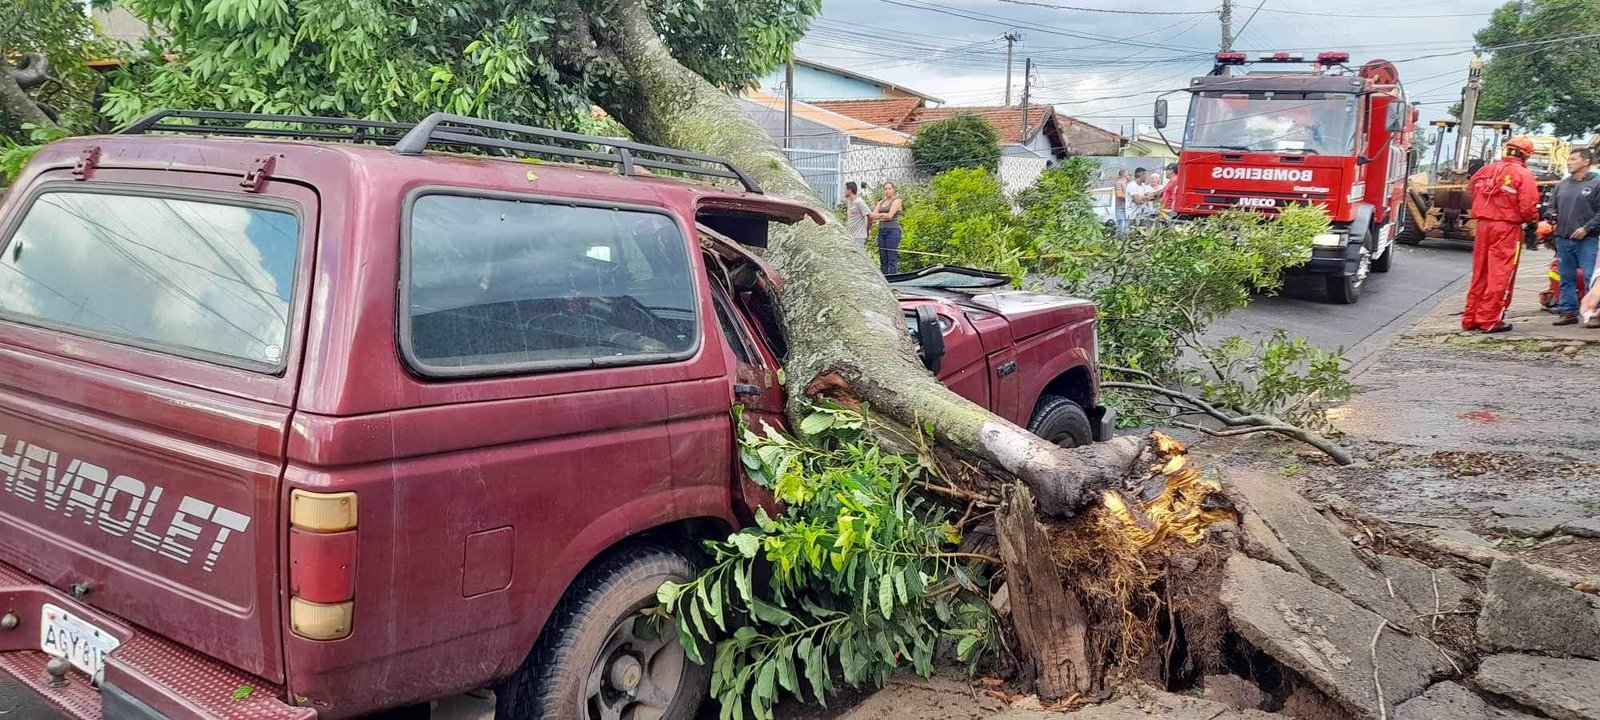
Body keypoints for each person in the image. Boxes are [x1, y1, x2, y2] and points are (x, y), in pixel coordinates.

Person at [1461, 136, 1542, 334]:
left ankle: (1470, 317)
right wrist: (1532, 222)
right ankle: (1489, 319)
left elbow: (1471, 190)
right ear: (1526, 155)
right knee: (1501, 273)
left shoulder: (1486, 170)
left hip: (1483, 225)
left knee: (1480, 272)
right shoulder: (1524, 174)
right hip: (1507, 228)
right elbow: (1528, 206)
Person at [1549, 148, 1600, 327]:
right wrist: (1551, 216)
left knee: (1590, 277)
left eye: (1573, 159)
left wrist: (1587, 228)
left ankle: (1593, 313)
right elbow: (1551, 207)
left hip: (1588, 239)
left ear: (1585, 162)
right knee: (1566, 277)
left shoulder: (1596, 183)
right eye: (1568, 159)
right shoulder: (1562, 184)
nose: (1568, 162)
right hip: (1563, 238)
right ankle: (1568, 311)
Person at [870, 181, 903, 274]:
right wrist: (883, 215)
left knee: (891, 256)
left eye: (889, 189)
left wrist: (879, 217)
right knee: (883, 256)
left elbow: (890, 216)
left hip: (892, 231)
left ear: (893, 190)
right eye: (886, 189)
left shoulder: (896, 201)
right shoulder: (880, 202)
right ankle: (884, 276)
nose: (887, 191)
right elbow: (872, 216)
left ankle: (893, 276)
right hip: (882, 230)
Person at [844, 181, 871, 248]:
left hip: (859, 237)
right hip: (850, 236)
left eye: (844, 189)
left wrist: (866, 231)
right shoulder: (850, 203)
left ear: (849, 190)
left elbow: (868, 216)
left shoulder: (859, 202)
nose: (843, 191)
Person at [1113, 168, 1130, 236]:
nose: (1129, 176)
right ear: (1124, 175)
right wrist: (1130, 198)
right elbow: (1119, 194)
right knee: (1121, 223)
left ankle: (1123, 241)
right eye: (1128, 175)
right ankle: (1117, 239)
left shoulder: (1127, 184)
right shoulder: (1119, 183)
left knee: (1126, 225)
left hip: (1127, 208)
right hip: (1120, 208)